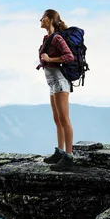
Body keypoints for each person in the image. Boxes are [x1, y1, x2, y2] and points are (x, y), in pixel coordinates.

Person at [37, 9, 75, 171]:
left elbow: (69, 56)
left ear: (51, 20)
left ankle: (69, 156)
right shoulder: (47, 38)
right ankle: (60, 152)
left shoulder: (57, 38)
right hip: (52, 82)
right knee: (57, 119)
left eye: (43, 17)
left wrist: (50, 59)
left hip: (60, 81)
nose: (40, 20)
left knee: (64, 119)